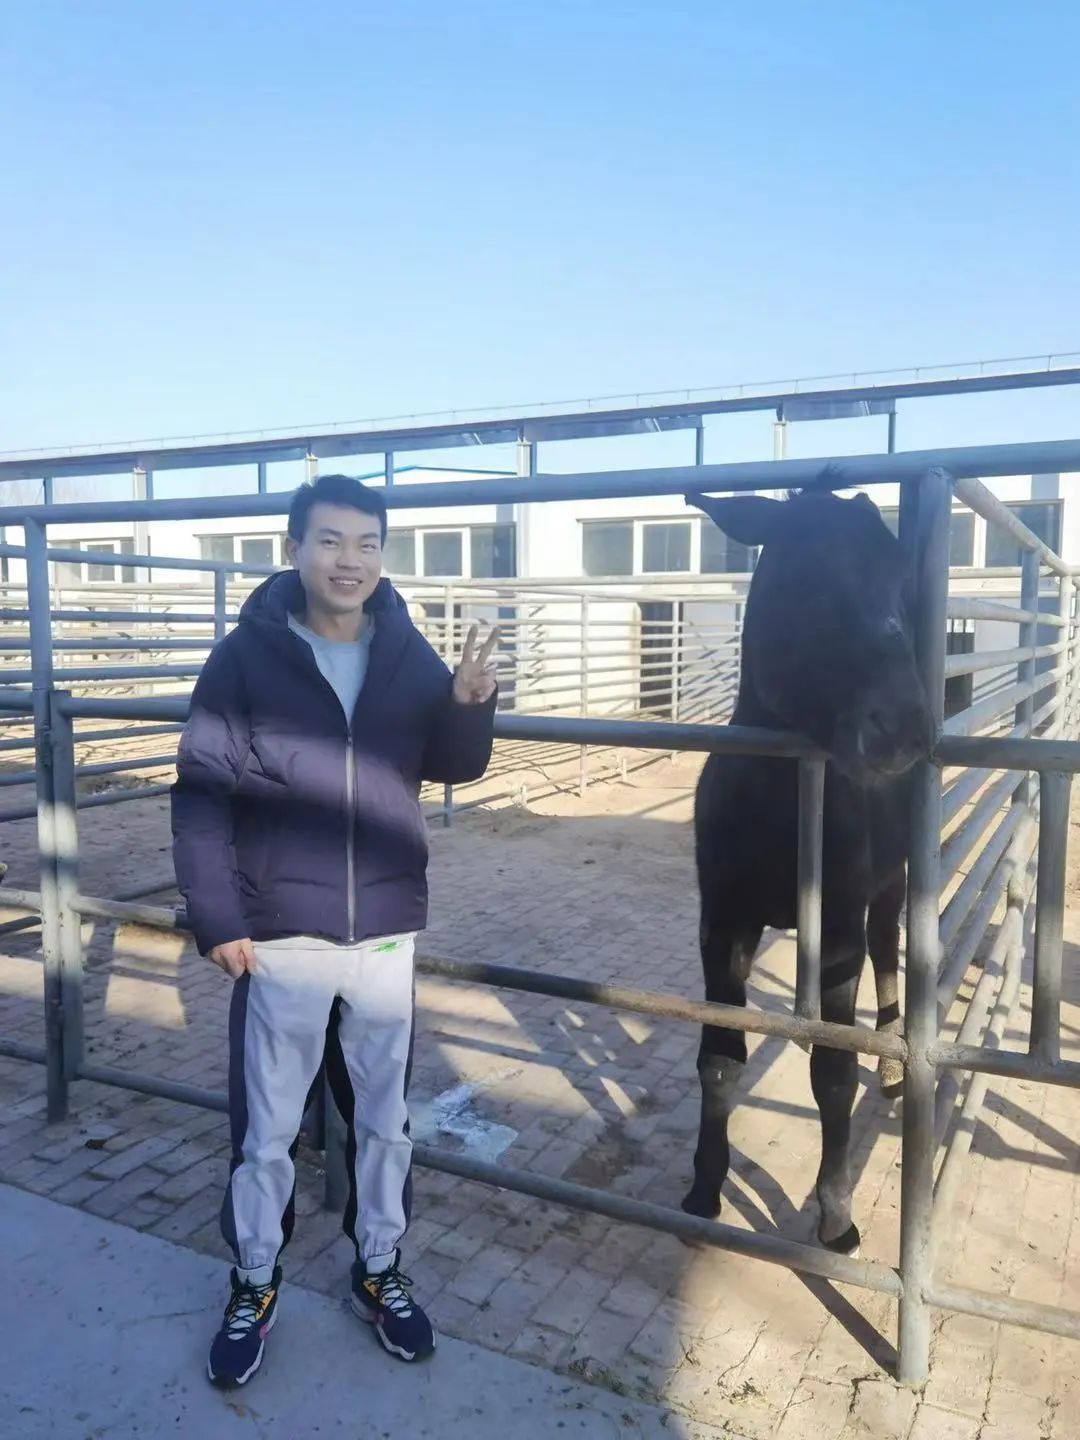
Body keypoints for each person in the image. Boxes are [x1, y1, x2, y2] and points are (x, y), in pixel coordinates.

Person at [171, 473, 498, 1387]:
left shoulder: (404, 650)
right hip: (282, 933)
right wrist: (217, 916)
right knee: (268, 1129)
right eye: (330, 541)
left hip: (384, 930)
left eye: (366, 543)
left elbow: (453, 766)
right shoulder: (245, 658)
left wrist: (469, 702)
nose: (349, 560)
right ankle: (254, 1279)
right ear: (295, 550)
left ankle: (379, 1269)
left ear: (381, 555)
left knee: (386, 1123)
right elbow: (200, 794)